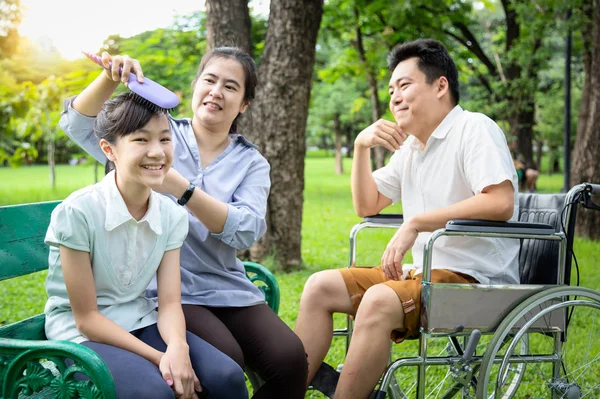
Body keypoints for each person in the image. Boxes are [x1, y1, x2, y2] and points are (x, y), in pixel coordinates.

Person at [59, 47, 308, 399]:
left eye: (231, 86)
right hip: (163, 291)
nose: (216, 91)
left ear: (245, 104)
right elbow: (77, 125)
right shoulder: (156, 131)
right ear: (194, 86)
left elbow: (247, 229)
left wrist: (182, 188)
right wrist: (108, 77)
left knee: (290, 358)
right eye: (209, 79)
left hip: (226, 285)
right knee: (226, 361)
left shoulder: (251, 162)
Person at [295, 38, 520, 398]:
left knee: (380, 299)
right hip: (423, 274)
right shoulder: (413, 147)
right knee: (319, 287)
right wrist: (360, 147)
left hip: (475, 277)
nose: (394, 97)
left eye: (404, 85)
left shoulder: (474, 129)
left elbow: (500, 202)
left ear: (440, 85)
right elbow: (367, 204)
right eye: (390, 90)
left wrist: (415, 223)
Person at [44, 93, 248, 399]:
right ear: (108, 149)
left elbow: (168, 303)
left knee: (227, 377)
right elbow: (86, 319)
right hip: (80, 335)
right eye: (141, 140)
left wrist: (178, 347)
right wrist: (160, 358)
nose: (157, 152)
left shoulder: (172, 215)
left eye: (165, 139)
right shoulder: (77, 213)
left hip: (140, 319)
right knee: (156, 392)